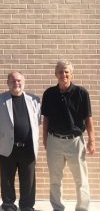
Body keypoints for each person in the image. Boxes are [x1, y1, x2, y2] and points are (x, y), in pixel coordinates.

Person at [41, 60, 96, 211]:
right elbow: (46, 119)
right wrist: (45, 139)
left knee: (81, 179)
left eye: (66, 71)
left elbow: (88, 119)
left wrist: (92, 141)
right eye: (60, 71)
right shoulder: (49, 94)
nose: (63, 74)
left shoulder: (81, 93)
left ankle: (82, 208)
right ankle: (57, 207)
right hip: (54, 141)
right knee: (55, 179)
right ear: (55, 74)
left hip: (75, 142)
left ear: (71, 74)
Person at [0, 71, 41, 211]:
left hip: (28, 148)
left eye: (19, 80)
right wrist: (6, 134)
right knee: (7, 179)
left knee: (28, 180)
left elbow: (38, 121)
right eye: (12, 81)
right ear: (8, 83)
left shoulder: (35, 100)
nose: (16, 83)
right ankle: (8, 205)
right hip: (8, 147)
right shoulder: (0, 99)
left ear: (23, 82)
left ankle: (27, 206)